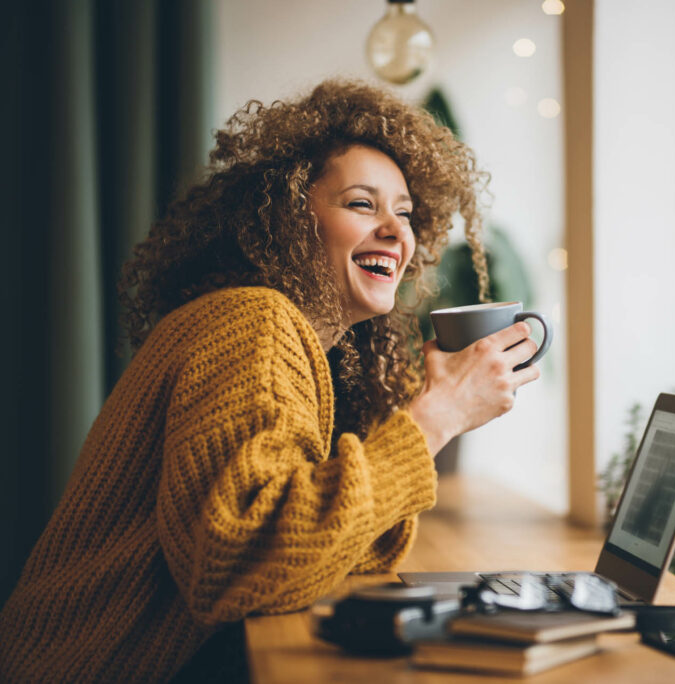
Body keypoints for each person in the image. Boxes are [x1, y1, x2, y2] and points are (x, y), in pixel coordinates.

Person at [0, 79, 540, 683]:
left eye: (406, 213)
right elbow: (239, 567)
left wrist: (427, 411)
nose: (396, 231)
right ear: (288, 217)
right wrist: (439, 415)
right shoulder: (253, 322)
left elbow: (314, 549)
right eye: (363, 204)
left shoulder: (299, 343)